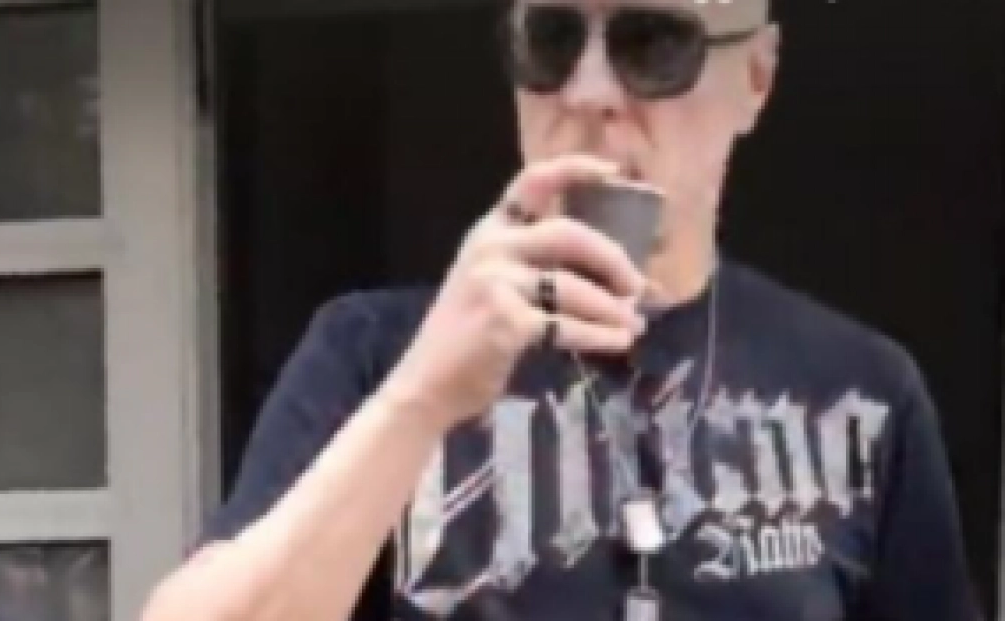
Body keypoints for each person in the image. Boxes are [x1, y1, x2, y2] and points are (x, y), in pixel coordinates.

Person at [144, 0, 981, 619]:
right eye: (551, 39)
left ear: (755, 78)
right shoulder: (371, 352)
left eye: (651, 43)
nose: (587, 91)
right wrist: (423, 394)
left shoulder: (861, 391)